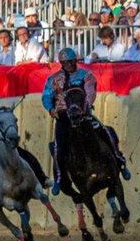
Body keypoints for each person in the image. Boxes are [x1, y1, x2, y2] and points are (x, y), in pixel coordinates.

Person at [42, 48, 130, 195]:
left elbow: (90, 92)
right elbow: (46, 96)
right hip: (63, 116)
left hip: (83, 114)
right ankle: (59, 178)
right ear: (61, 63)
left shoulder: (86, 75)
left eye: (71, 61)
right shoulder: (53, 79)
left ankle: (119, 161)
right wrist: (51, 109)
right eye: (65, 62)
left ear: (75, 61)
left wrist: (86, 106)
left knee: (106, 132)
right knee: (58, 146)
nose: (69, 64)